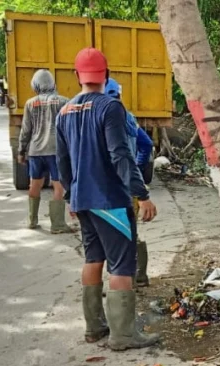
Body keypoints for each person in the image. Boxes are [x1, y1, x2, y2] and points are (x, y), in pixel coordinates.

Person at [56, 48, 159, 350]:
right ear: (107, 75)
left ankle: (94, 328)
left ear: (77, 76)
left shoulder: (64, 113)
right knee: (122, 265)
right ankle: (123, 335)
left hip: (82, 200)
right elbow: (120, 155)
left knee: (93, 259)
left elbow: (62, 162)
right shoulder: (110, 107)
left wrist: (71, 197)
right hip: (110, 200)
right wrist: (142, 194)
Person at [104, 78, 154, 287]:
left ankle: (125, 281)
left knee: (115, 234)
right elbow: (147, 144)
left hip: (112, 186)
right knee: (132, 230)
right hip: (132, 183)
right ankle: (140, 275)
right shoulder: (130, 118)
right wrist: (138, 168)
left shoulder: (104, 118)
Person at [17, 69, 74, 233]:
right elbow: (69, 129)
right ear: (52, 83)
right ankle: (57, 225)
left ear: (35, 85)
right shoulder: (64, 101)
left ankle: (32, 220)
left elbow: (26, 130)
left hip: (35, 151)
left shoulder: (30, 103)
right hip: (56, 150)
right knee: (58, 185)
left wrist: (21, 151)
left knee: (35, 183)